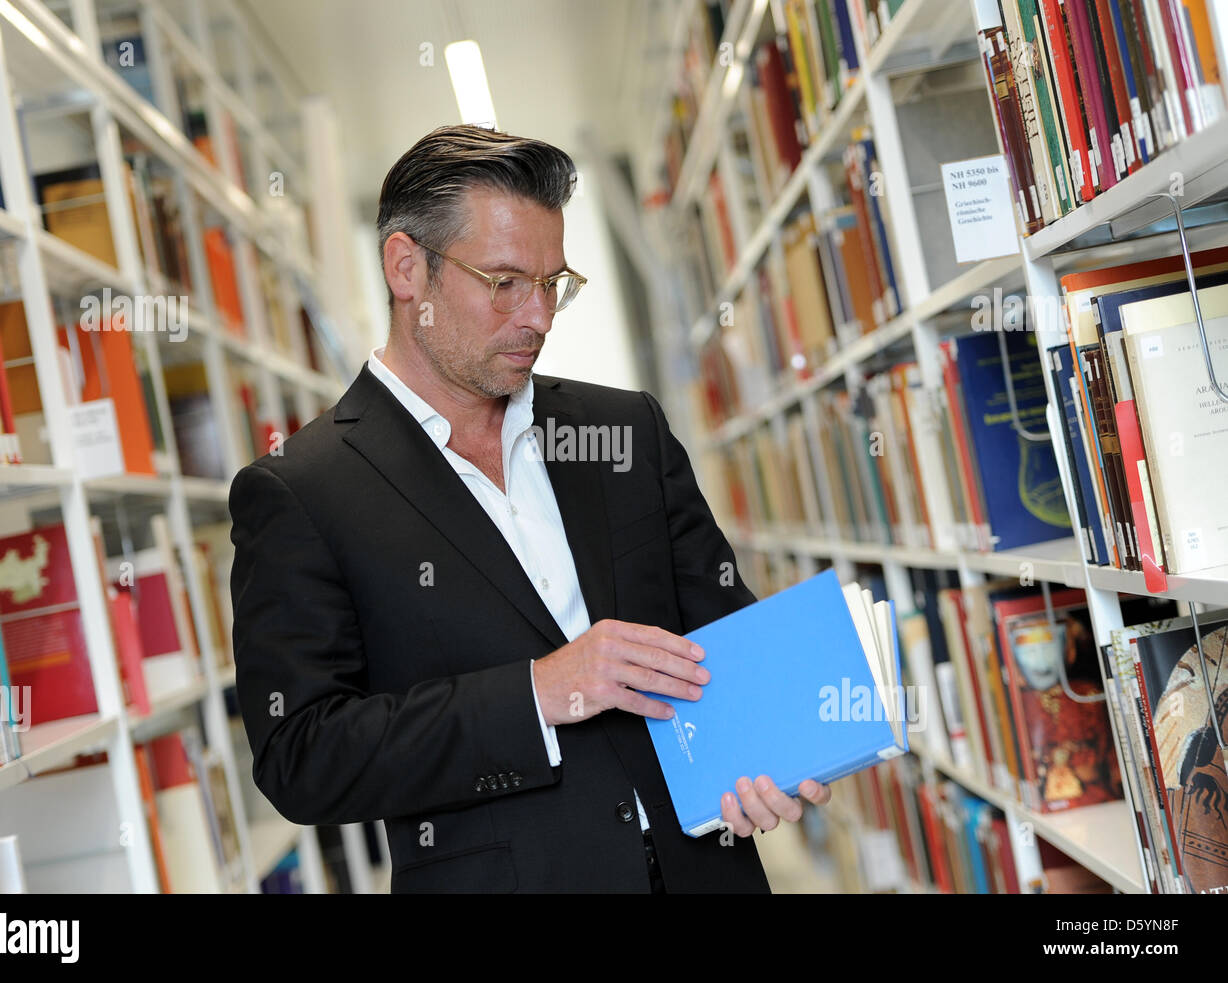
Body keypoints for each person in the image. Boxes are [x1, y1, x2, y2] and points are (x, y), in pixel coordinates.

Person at [228, 123, 830, 893]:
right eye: (506, 282)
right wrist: (540, 692)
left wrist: (779, 751)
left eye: (553, 284)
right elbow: (302, 756)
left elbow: (722, 632)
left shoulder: (623, 430)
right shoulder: (301, 490)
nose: (540, 317)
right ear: (407, 267)